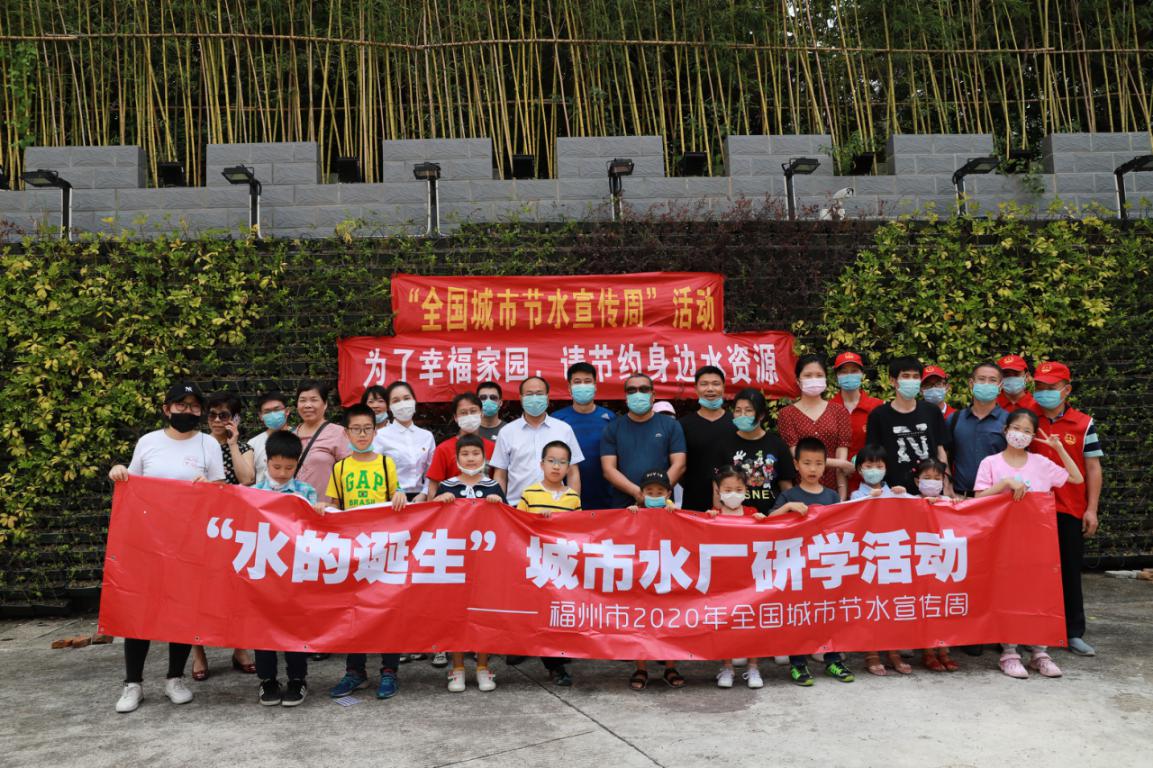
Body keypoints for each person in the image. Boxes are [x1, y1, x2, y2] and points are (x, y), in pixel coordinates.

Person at [107, 382, 225, 713]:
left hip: (190, 543)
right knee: (139, 611)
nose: (187, 411)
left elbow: (221, 491)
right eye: (180, 405)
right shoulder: (148, 442)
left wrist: (209, 487)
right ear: (166, 409)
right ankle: (133, 683)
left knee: (183, 611)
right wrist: (119, 472)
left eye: (194, 406)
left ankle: (175, 678)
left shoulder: (208, 444)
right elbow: (131, 485)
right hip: (147, 543)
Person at [975, 407, 1085, 678]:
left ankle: (1039, 652)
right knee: (1008, 592)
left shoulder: (1041, 463)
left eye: (1027, 431)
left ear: (1034, 436)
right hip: (1003, 540)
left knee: (1038, 592)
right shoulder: (991, 463)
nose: (1020, 435)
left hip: (1037, 540)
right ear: (1005, 430)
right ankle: (1009, 652)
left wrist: (1059, 449)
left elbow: (1076, 478)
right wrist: (1004, 484)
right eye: (1016, 429)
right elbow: (978, 499)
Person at [325, 404, 406, 701]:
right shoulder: (340, 468)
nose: (362, 435)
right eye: (356, 429)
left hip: (383, 547)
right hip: (353, 549)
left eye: (367, 429)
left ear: (375, 431)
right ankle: (355, 671)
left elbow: (397, 497)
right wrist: (323, 508)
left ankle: (389, 670)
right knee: (353, 611)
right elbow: (334, 505)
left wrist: (400, 495)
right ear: (346, 433)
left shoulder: (386, 463)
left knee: (388, 609)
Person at [762, 438, 854, 685]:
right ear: (796, 464)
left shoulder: (832, 496)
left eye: (818, 463)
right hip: (797, 569)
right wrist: (787, 508)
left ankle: (833, 660)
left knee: (829, 614)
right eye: (807, 463)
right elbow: (769, 522)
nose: (813, 469)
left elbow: (845, 526)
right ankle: (798, 664)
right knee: (799, 615)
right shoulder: (789, 495)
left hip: (826, 567)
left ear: (825, 466)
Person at [432, 434, 505, 692]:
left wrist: (499, 504)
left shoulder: (493, 486)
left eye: (476, 453)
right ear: (457, 458)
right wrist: (438, 502)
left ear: (484, 457)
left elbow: (508, 523)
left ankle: (483, 667)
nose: (471, 458)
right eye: (465, 454)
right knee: (455, 613)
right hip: (454, 560)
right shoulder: (447, 485)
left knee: (483, 613)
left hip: (485, 562)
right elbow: (431, 519)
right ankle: (458, 668)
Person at [250, 430, 317, 706]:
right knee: (262, 626)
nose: (281, 473)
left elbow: (315, 530)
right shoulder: (253, 493)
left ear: (297, 464)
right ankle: (267, 680)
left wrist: (319, 512)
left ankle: (297, 679)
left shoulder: (305, 492)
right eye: (276, 467)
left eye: (289, 468)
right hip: (263, 571)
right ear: (266, 461)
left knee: (295, 626)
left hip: (294, 572)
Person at [193, 390, 256, 680]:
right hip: (198, 527)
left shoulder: (244, 448)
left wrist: (231, 443)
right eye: (213, 415)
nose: (218, 420)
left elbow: (247, 479)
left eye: (225, 415)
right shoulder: (194, 446)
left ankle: (239, 648)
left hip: (234, 527)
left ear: (236, 419)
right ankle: (199, 653)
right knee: (198, 591)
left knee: (236, 588)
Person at [516, 441, 582, 687]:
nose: (556, 466)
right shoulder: (530, 493)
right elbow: (517, 524)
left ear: (568, 467)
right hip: (537, 563)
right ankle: (554, 666)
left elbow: (580, 529)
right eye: (551, 461)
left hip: (563, 564)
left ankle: (558, 655)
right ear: (541, 464)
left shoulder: (572, 497)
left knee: (560, 610)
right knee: (541, 611)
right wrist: (537, 521)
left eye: (562, 462)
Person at [622, 469, 687, 692]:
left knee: (670, 623)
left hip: (668, 577)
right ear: (641, 494)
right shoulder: (635, 512)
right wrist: (629, 513)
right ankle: (641, 669)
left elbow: (690, 532)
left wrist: (675, 513)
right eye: (650, 492)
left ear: (668, 493)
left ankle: (671, 668)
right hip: (642, 577)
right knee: (640, 624)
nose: (655, 495)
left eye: (660, 492)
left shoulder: (675, 512)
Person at [850, 446, 911, 677]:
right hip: (868, 556)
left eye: (879, 466)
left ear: (886, 468)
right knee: (870, 604)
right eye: (869, 466)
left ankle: (893, 651)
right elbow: (849, 515)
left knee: (892, 605)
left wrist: (905, 495)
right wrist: (868, 499)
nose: (874, 470)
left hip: (893, 556)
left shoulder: (894, 492)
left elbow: (919, 510)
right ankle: (871, 653)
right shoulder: (856, 495)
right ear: (859, 469)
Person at [704, 466, 762, 690]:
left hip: (749, 580)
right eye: (727, 490)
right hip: (723, 580)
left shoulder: (752, 513)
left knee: (752, 623)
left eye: (738, 489)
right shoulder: (713, 514)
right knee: (725, 623)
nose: (733, 494)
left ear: (746, 490)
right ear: (718, 491)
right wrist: (707, 520)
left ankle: (753, 667)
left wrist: (762, 521)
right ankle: (727, 667)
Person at [490, 376, 584, 505]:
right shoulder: (507, 432)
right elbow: (500, 473)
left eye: (539, 394)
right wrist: (501, 506)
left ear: (547, 398)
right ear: (521, 398)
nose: (534, 398)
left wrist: (572, 504)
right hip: (517, 506)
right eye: (529, 394)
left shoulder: (564, 429)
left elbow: (572, 471)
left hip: (557, 506)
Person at [865, 356, 952, 495]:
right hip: (893, 492)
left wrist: (947, 485)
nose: (911, 381)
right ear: (893, 381)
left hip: (929, 491)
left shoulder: (932, 411)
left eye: (915, 377)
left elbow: (941, 451)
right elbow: (874, 457)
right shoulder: (879, 415)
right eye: (905, 376)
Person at [602, 373, 686, 507]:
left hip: (662, 505)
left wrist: (657, 493)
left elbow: (679, 465)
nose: (638, 394)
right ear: (626, 397)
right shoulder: (613, 428)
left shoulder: (671, 425)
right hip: (624, 505)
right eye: (632, 390)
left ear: (653, 395)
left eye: (643, 389)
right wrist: (637, 492)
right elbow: (608, 469)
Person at [777, 354, 852, 499]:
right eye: (808, 375)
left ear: (826, 379)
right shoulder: (786, 414)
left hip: (833, 490)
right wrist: (841, 463)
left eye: (819, 375)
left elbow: (841, 456)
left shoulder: (839, 411)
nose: (814, 379)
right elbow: (796, 453)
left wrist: (841, 497)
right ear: (798, 380)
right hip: (801, 492)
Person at [716, 388, 795, 513]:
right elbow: (716, 488)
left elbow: (786, 487)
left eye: (748, 410)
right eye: (738, 410)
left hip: (771, 517)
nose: (742, 415)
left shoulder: (777, 445)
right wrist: (719, 518)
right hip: (735, 519)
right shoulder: (723, 444)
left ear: (761, 415)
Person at [552, 362, 617, 510]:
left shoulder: (609, 418)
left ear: (595, 386)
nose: (582, 386)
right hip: (564, 497)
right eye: (577, 382)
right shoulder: (557, 419)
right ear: (569, 388)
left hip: (605, 496)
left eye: (587, 381)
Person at [677, 366, 737, 512]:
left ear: (723, 388)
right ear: (696, 389)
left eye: (716, 384)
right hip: (694, 502)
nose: (710, 389)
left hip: (734, 501)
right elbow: (678, 464)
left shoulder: (736, 423)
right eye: (704, 384)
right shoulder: (683, 425)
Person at [947, 362, 1009, 498]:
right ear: (971, 383)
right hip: (960, 497)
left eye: (992, 380)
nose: (986, 384)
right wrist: (947, 483)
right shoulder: (955, 419)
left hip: (996, 499)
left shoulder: (1009, 422)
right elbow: (943, 454)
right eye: (981, 379)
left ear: (1000, 386)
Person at [830, 351, 884, 495]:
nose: (849, 375)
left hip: (870, 482)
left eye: (854, 371)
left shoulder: (877, 407)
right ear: (836, 376)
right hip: (834, 482)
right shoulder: (828, 408)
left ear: (862, 374)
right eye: (844, 372)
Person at [371, 381, 435, 502]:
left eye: (406, 398)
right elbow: (374, 471)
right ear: (389, 407)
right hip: (391, 499)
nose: (402, 404)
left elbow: (432, 471)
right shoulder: (380, 436)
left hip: (420, 499)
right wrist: (393, 493)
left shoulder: (427, 436)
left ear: (414, 401)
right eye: (396, 401)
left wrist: (424, 493)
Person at [424, 393, 496, 494]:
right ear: (455, 417)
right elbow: (433, 486)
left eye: (473, 411)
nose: (469, 416)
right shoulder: (443, 449)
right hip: (452, 503)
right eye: (463, 413)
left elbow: (498, 480)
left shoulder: (493, 448)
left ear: (481, 413)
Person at [291, 381, 351, 497]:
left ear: (325, 404)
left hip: (325, 505)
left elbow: (349, 472)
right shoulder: (290, 435)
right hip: (294, 505)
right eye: (302, 400)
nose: (307, 405)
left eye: (314, 400)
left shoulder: (339, 433)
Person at [249, 391, 292, 486]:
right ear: (261, 416)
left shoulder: (299, 437)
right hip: (263, 495)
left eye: (277, 410)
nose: (273, 414)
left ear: (287, 411)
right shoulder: (253, 444)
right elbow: (249, 479)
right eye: (267, 412)